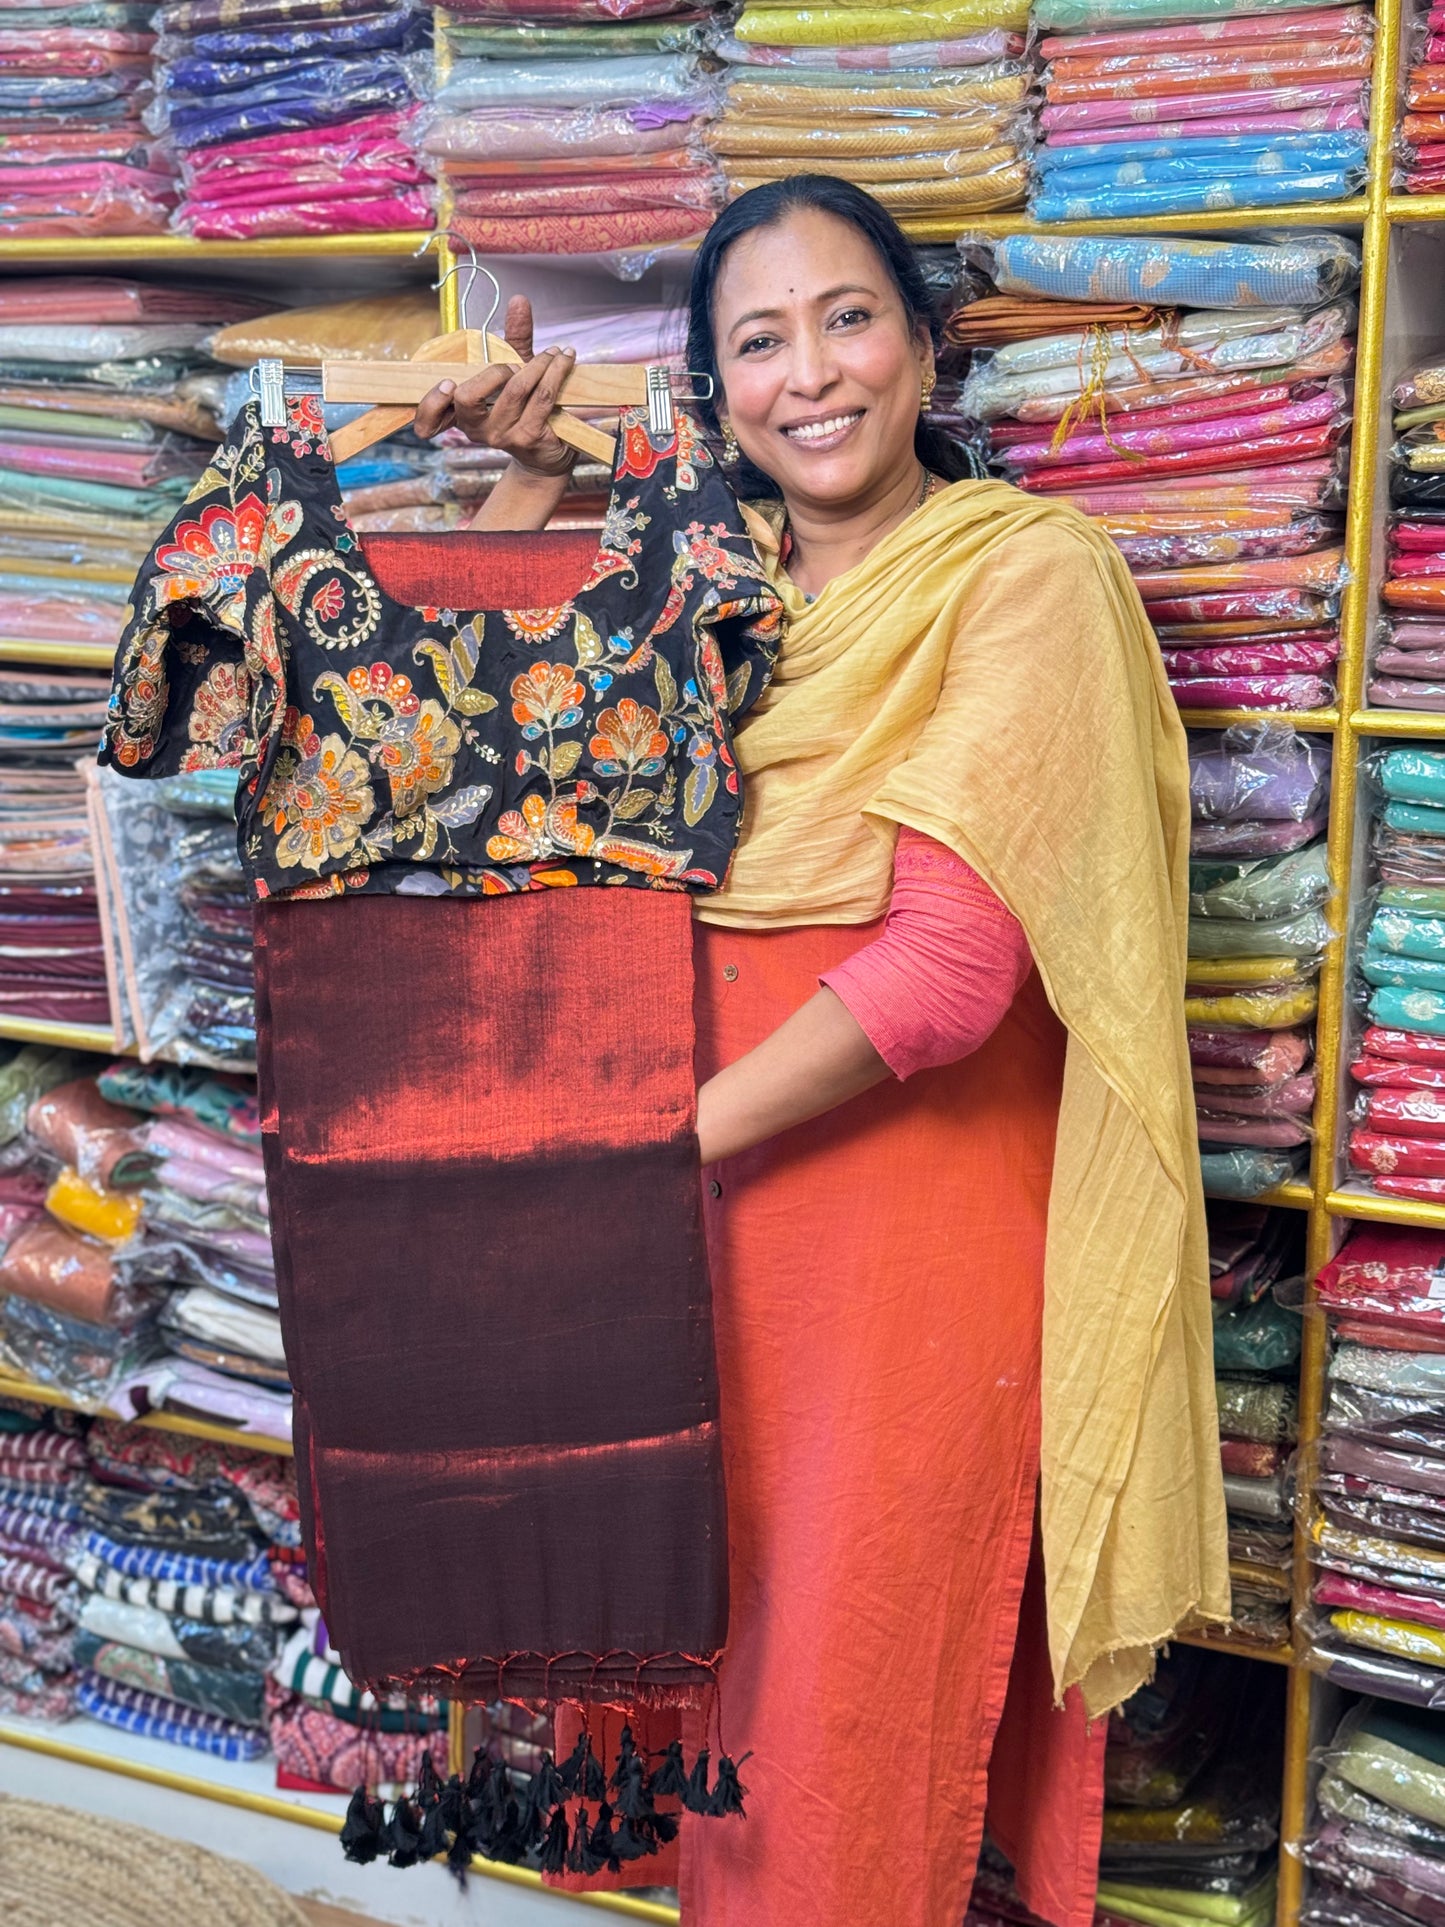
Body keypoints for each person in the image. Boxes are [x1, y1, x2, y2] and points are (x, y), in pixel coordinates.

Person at [415, 177, 1229, 1927]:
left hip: (885, 1221)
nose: (812, 375)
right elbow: (488, 780)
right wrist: (538, 478)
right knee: (696, 1678)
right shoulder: (717, 589)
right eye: (757, 341)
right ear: (713, 391)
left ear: (925, 350)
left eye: (848, 318)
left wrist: (622, 1163)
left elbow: (943, 976)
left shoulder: (1027, 578)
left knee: (842, 1717)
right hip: (692, 1208)